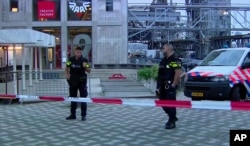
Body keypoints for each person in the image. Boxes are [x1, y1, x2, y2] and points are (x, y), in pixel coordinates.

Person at [156, 44, 182, 129]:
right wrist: (158, 87)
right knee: (162, 102)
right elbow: (160, 74)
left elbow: (178, 72)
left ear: (168, 48)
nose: (162, 49)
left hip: (170, 84)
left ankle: (171, 121)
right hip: (163, 85)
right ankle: (173, 117)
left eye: (163, 48)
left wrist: (174, 84)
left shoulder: (174, 59)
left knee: (170, 103)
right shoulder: (163, 60)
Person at [65, 47, 91, 121]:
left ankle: (83, 115)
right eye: (77, 52)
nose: (79, 53)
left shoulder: (84, 60)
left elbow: (89, 70)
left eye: (80, 52)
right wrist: (67, 76)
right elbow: (66, 67)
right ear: (74, 52)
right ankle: (73, 114)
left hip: (82, 81)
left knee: (83, 98)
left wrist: (85, 66)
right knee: (73, 98)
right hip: (73, 81)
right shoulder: (71, 60)